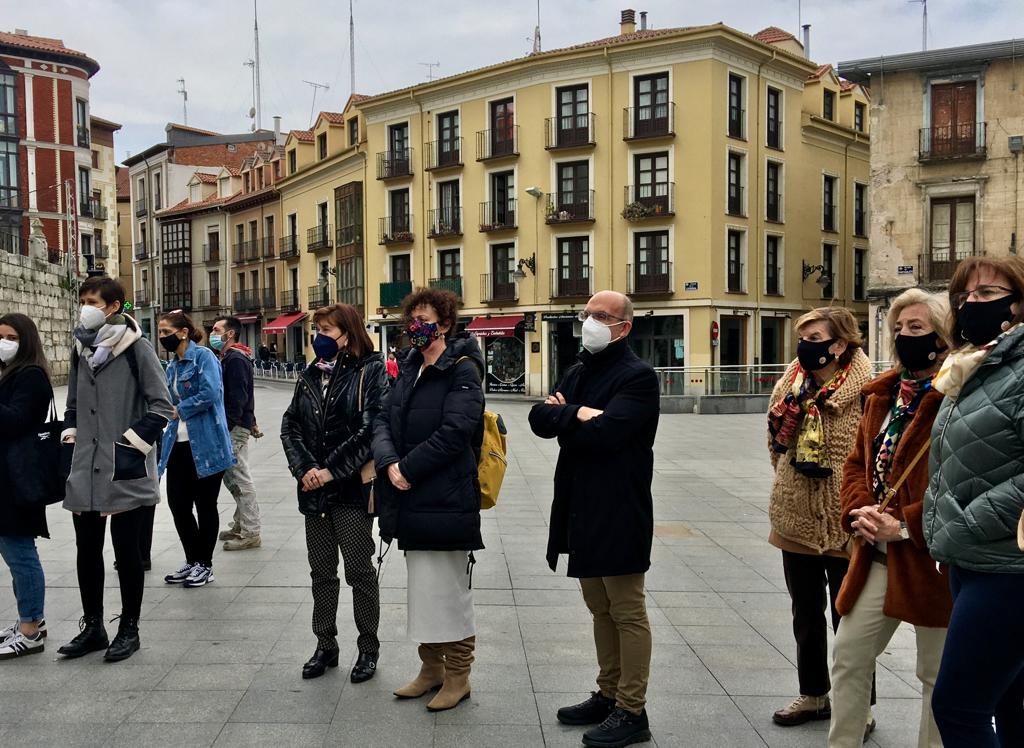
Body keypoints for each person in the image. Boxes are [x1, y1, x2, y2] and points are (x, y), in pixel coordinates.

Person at [528, 290, 659, 748]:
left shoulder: (638, 377)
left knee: (626, 609)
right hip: (580, 505)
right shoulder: (579, 369)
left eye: (602, 316)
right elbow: (538, 418)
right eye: (588, 314)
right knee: (599, 606)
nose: (590, 321)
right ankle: (608, 693)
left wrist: (565, 418)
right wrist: (576, 414)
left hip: (619, 506)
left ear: (624, 327)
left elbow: (606, 434)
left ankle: (632, 709)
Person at [828, 290, 953, 748]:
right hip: (876, 554)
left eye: (916, 328)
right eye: (898, 328)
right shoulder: (883, 395)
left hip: (936, 562)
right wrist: (858, 508)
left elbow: (963, 485)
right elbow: (856, 463)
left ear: (943, 337)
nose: (903, 336)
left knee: (935, 674)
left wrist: (904, 526)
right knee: (849, 654)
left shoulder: (957, 396)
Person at [924, 256, 1024, 747]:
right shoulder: (976, 365)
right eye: (963, 295)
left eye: (987, 293)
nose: (970, 303)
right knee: (1010, 702)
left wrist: (969, 521)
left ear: (1018, 304)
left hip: (1008, 566)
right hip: (973, 560)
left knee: (959, 708)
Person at [373, 287, 484, 713]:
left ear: (446, 324)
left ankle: (459, 676)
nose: (415, 328)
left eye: (424, 321)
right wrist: (389, 463)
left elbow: (456, 432)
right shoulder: (409, 366)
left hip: (446, 498)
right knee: (423, 591)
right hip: (411, 499)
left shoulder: (462, 369)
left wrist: (408, 468)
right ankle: (431, 669)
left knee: (449, 591)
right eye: (412, 321)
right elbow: (382, 418)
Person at [766, 307, 873, 728]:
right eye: (802, 337)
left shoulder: (867, 391)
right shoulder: (790, 383)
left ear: (839, 344)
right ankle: (813, 695)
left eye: (814, 338)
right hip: (795, 517)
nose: (805, 346)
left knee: (851, 621)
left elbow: (874, 454)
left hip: (847, 522)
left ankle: (858, 706)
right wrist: (791, 482)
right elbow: (775, 441)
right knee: (806, 615)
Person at [59, 276, 173, 662]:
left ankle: (129, 628)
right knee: (87, 550)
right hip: (85, 467)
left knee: (127, 553)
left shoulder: (136, 347)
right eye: (83, 300)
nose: (85, 308)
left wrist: (129, 446)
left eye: (92, 301)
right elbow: (73, 403)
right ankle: (93, 627)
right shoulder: (80, 347)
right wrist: (71, 437)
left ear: (113, 307)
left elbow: (162, 406)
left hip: (123, 466)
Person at [281, 304, 385, 682]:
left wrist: (330, 471)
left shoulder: (370, 370)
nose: (319, 337)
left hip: (351, 491)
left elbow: (371, 429)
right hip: (314, 492)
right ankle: (325, 644)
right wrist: (305, 470)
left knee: (359, 571)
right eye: (318, 329)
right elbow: (290, 425)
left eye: (327, 329)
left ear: (347, 332)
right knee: (321, 572)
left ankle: (368, 648)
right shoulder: (310, 374)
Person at [157, 310, 234, 589]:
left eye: (166, 332)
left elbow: (211, 392)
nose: (162, 337)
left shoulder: (204, 357)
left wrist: (181, 409)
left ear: (183, 332)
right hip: (177, 444)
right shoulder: (172, 366)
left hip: (208, 443)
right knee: (178, 505)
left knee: (205, 505)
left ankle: (205, 564)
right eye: (160, 332)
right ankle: (192, 559)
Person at [0, 314, 53, 659]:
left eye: (11, 337)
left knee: (19, 552)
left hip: (18, 479)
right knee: (13, 549)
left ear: (26, 341)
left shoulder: (31, 376)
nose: (4, 343)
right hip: (8, 477)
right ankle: (29, 619)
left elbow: (17, 421)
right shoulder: (11, 373)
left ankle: (31, 628)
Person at [210, 316, 262, 551]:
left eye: (216, 330)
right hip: (237, 424)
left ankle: (251, 532)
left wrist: (229, 425)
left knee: (238, 476)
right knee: (232, 477)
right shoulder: (229, 357)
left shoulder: (235, 359)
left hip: (234, 427)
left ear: (229, 334)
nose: (212, 334)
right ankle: (241, 524)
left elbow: (238, 396)